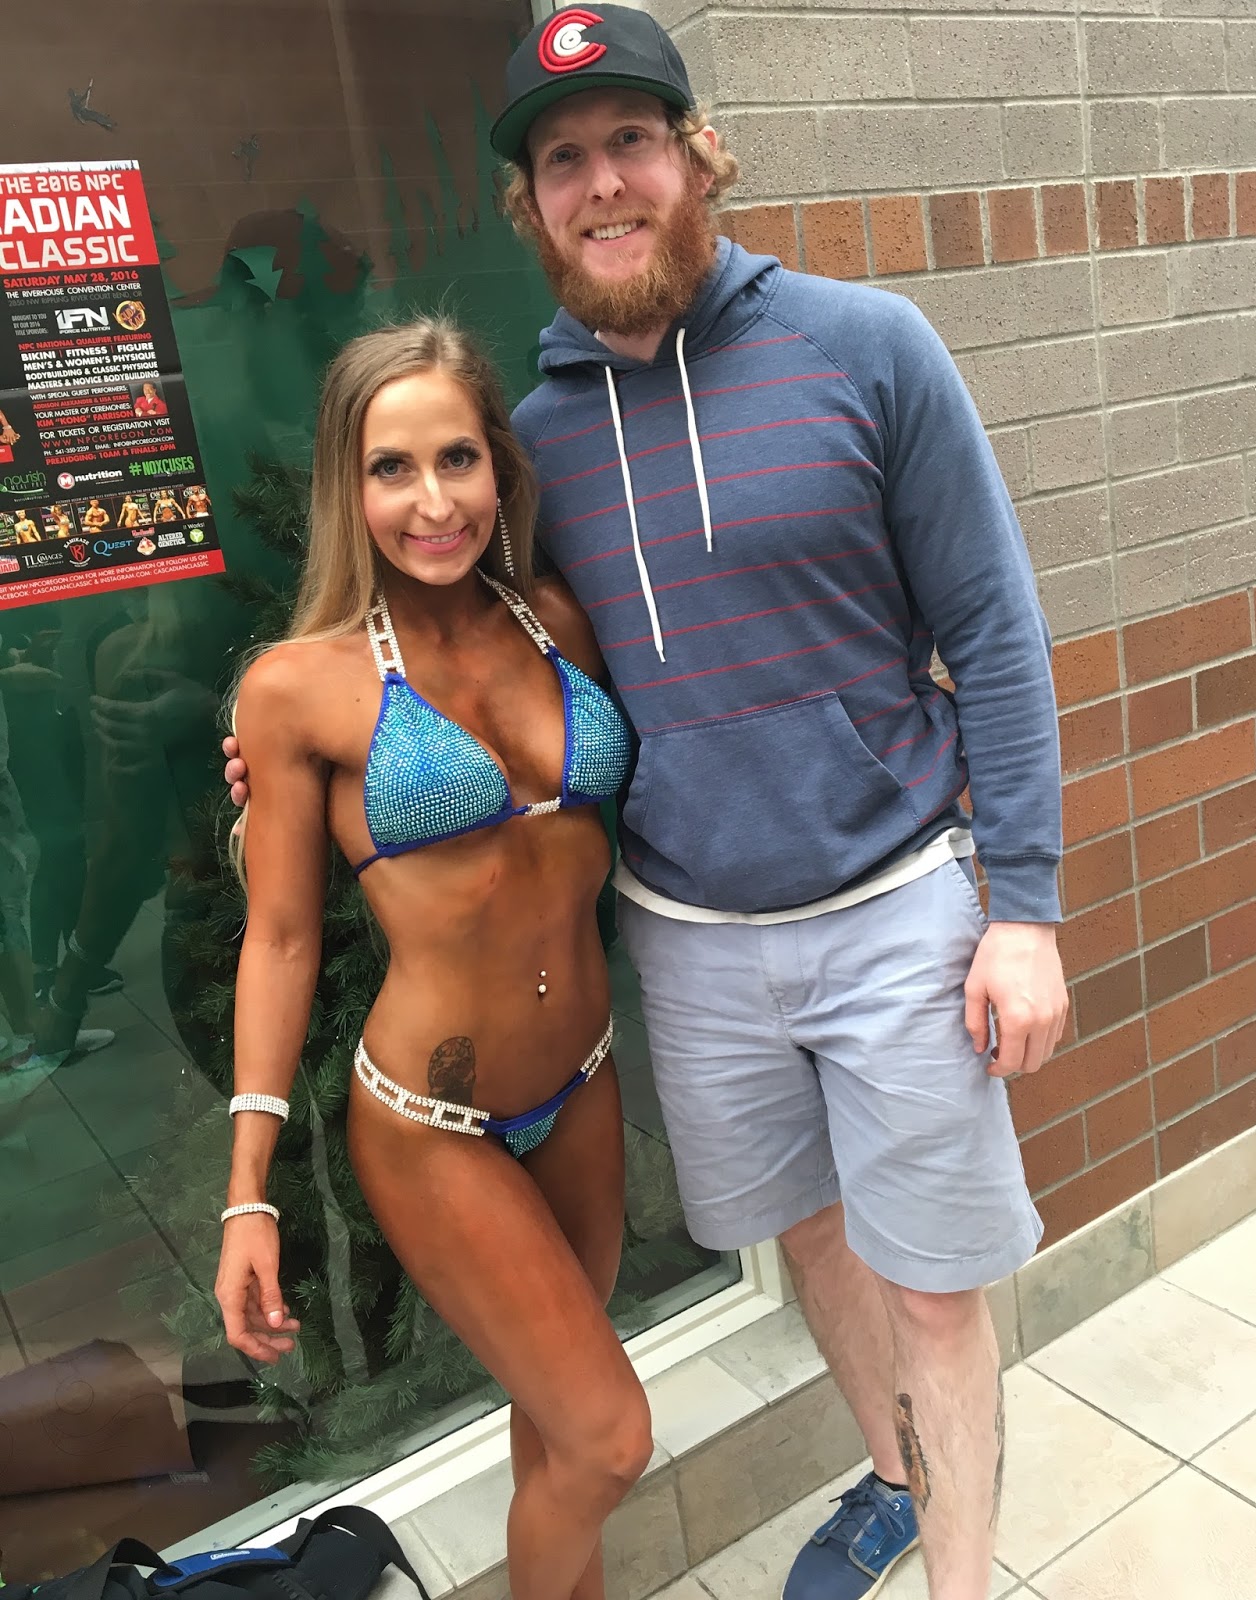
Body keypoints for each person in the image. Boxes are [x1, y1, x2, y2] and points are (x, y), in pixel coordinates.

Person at [226, 10, 1069, 1598]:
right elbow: (457, 638)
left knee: (934, 1289)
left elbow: (997, 633)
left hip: (895, 904)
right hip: (687, 941)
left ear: (695, 156)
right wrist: (297, 757)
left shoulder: (869, 348)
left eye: (631, 140)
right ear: (531, 205)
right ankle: (893, 1484)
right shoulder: (535, 444)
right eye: (564, 159)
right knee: (804, 1237)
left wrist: (1023, 905)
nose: (603, 182)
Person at [216, 319, 649, 1600]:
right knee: (610, 1439)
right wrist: (248, 1189)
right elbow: (281, 937)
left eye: (456, 458)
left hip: (582, 1077)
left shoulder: (557, 618)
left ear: (498, 465)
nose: (432, 502)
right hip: (430, 1118)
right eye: (390, 469)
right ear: (346, 490)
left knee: (557, 1426)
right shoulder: (297, 688)